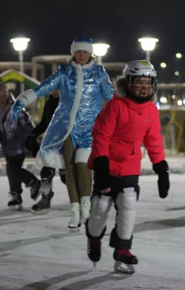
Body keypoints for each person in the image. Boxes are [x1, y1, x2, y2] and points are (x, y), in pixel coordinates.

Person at [11, 36, 114, 230]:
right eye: (78, 51)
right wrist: (22, 100)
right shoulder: (65, 72)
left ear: (90, 52)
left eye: (85, 51)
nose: (81, 55)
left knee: (83, 166)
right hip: (65, 129)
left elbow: (111, 98)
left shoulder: (99, 73)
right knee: (70, 169)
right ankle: (75, 212)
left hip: (90, 129)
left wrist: (127, 115)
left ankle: (86, 209)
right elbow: (43, 88)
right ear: (73, 53)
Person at [85, 60, 169, 274]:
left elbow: (154, 141)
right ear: (128, 83)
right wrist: (102, 166)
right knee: (100, 209)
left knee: (128, 206)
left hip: (130, 169)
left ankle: (122, 252)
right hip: (108, 167)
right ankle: (94, 238)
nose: (143, 87)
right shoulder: (116, 106)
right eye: (139, 82)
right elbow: (101, 136)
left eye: (147, 83)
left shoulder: (150, 110)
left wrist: (161, 168)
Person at [0, 83, 40, 211]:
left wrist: (32, 140)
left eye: (4, 95)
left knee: (11, 168)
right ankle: (32, 182)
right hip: (6, 148)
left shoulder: (17, 109)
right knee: (13, 169)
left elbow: (28, 126)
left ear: (8, 94)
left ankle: (16, 195)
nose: (1, 99)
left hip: (19, 145)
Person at [24, 89, 67, 215]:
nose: (54, 90)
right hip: (51, 143)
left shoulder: (69, 101)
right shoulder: (49, 102)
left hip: (66, 143)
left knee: (67, 176)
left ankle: (81, 199)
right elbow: (44, 123)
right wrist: (32, 134)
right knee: (46, 172)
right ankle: (45, 199)